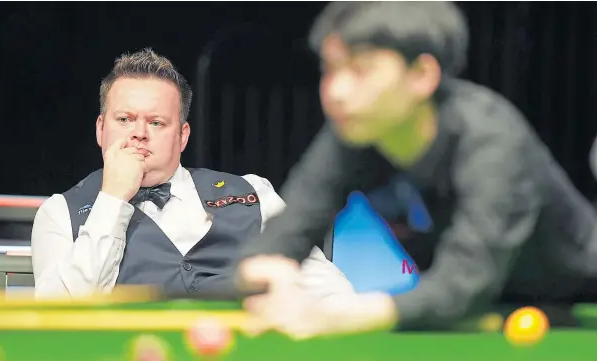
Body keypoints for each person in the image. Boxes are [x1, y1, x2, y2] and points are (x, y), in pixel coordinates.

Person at [236, 2, 597, 338]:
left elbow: (467, 278)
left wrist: (345, 314)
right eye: (330, 69)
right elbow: (297, 222)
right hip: (481, 315)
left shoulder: (493, 140)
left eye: (361, 69)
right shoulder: (358, 134)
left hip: (581, 307)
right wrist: (266, 268)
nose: (337, 90)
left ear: (422, 74)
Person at [31, 49, 353, 300]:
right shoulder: (60, 214)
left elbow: (328, 291)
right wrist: (112, 199)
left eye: (156, 122)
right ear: (101, 130)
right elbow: (54, 321)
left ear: (183, 136)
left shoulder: (254, 195)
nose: (139, 133)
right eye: (125, 119)